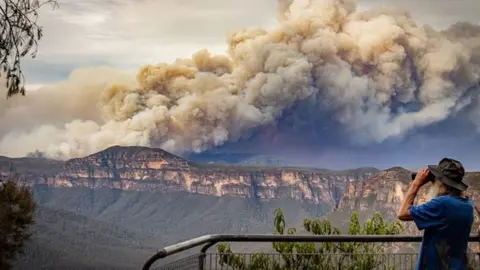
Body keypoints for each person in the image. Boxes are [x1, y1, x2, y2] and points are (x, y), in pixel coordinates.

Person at [397, 158, 474, 270]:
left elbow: (402, 213)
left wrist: (416, 183)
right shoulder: (468, 205)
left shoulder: (442, 204)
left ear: (441, 182)